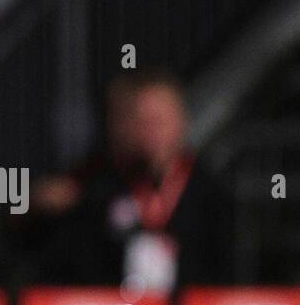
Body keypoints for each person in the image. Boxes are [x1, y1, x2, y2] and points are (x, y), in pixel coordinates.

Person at [36, 69, 235, 292]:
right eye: (141, 121)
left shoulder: (212, 195)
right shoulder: (90, 188)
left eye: (159, 120)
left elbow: (230, 277)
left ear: (181, 121)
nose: (151, 132)